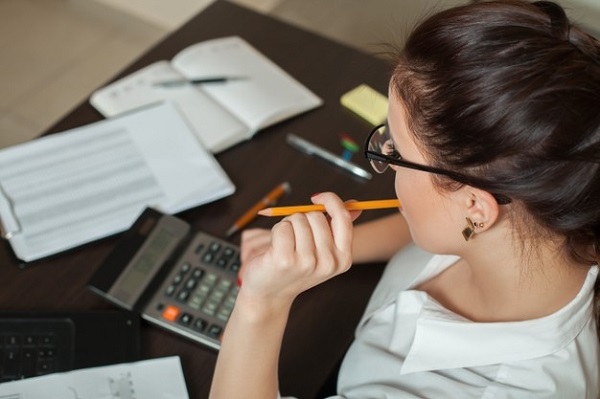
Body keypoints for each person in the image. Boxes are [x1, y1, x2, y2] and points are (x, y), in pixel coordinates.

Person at [209, 0, 600, 397]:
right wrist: (334, 248)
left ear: (475, 208)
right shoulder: (547, 217)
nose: (389, 161)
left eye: (397, 152)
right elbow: (429, 230)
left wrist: (262, 303)